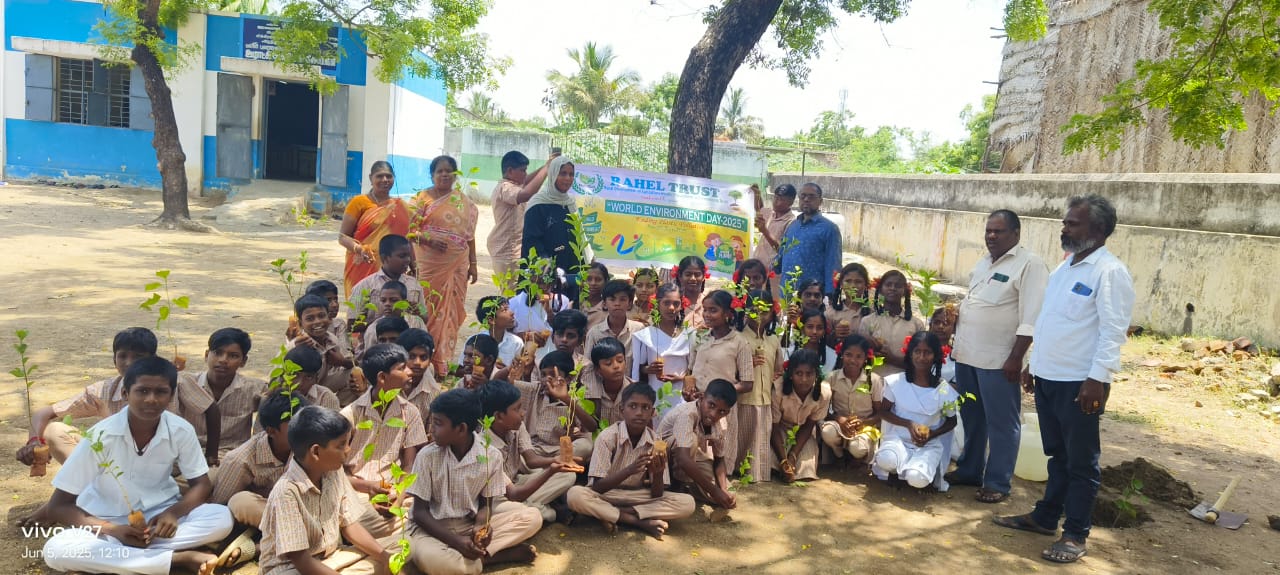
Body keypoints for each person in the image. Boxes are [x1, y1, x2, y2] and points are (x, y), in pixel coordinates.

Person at [996, 195, 1134, 565]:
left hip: (1080, 383)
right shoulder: (1066, 268)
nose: (1065, 228)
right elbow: (1049, 321)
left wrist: (1097, 380)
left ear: (1098, 229)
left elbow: (1112, 332)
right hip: (1049, 377)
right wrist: (1033, 365)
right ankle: (1044, 517)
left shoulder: (1109, 272)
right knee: (1056, 456)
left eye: (1073, 223)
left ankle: (1074, 534)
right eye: (1066, 222)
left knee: (1081, 463)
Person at [41, 357, 233, 575]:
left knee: (221, 518)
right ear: (125, 394)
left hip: (158, 520)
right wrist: (113, 530)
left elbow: (201, 485)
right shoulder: (100, 437)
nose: (151, 399)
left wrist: (172, 513)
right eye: (142, 391)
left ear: (171, 396)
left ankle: (127, 555)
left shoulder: (181, 430)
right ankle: (176, 559)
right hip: (106, 523)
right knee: (56, 550)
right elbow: (58, 506)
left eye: (160, 392)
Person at [948, 210, 1049, 503]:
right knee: (972, 417)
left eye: (999, 231)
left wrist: (1016, 358)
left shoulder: (1030, 265)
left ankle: (997, 482)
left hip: (999, 361)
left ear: (1016, 234)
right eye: (988, 231)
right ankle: (970, 469)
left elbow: (1031, 317)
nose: (991, 236)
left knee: (1002, 423)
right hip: (967, 355)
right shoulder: (984, 264)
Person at [407, 389, 550, 574]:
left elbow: (486, 504)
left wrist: (481, 526)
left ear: (461, 429)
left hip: (467, 525)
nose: (431, 429)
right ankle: (494, 557)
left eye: (438, 423)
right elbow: (419, 512)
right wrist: (456, 542)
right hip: (431, 530)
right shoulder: (427, 456)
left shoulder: (490, 455)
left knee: (532, 518)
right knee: (438, 563)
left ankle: (474, 555)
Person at [257, 405, 394, 575]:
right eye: (341, 445)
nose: (348, 449)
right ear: (315, 451)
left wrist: (385, 557)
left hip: (331, 558)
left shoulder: (334, 472)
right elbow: (301, 561)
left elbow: (349, 525)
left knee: (396, 549)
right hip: (292, 568)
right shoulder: (286, 492)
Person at [17, 327, 162, 469]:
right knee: (54, 431)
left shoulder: (171, 388)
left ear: (153, 360)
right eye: (122, 356)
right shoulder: (103, 391)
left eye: (138, 357)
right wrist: (34, 442)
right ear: (114, 359)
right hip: (113, 465)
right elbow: (43, 413)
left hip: (159, 464)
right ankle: (92, 483)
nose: (129, 363)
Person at [567, 382, 696, 538]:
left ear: (653, 413)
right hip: (607, 494)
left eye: (645, 408)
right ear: (622, 410)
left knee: (688, 503)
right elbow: (598, 487)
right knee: (575, 495)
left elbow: (657, 494)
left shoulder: (655, 441)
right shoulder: (608, 437)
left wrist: (658, 474)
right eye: (633, 406)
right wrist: (630, 470)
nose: (639, 413)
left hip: (637, 496)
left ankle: (610, 514)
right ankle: (636, 521)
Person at [341, 343, 430, 538]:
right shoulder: (351, 415)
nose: (409, 371)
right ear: (382, 378)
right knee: (354, 515)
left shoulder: (409, 412)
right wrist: (369, 487)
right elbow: (336, 474)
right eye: (401, 368)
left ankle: (361, 536)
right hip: (356, 491)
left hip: (394, 491)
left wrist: (398, 497)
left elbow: (408, 466)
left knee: (428, 510)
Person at [410, 155, 481, 377]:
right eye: (439, 171)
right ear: (432, 174)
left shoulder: (464, 203)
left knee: (452, 310)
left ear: (455, 175)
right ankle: (423, 358)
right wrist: (429, 239)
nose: (444, 174)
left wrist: (473, 264)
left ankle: (443, 362)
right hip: (430, 265)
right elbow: (409, 231)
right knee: (428, 308)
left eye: (448, 171)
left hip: (458, 265)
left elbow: (469, 236)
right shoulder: (420, 199)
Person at [476, 380, 578, 524]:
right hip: (497, 498)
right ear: (498, 416)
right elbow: (512, 495)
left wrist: (557, 462)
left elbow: (531, 460)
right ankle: (549, 510)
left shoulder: (517, 427)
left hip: (517, 482)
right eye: (517, 409)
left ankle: (540, 507)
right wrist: (550, 471)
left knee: (567, 474)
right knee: (524, 512)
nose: (523, 413)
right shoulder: (485, 447)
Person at [211, 390, 305, 535]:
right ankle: (297, 535)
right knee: (241, 502)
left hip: (302, 509)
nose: (304, 431)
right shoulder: (240, 460)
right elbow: (220, 506)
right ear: (272, 431)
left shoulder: (308, 445)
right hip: (269, 515)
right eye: (294, 427)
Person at [873, 331, 959, 490]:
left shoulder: (943, 390)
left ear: (936, 356)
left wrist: (931, 434)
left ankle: (922, 474)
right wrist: (908, 424)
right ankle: (895, 472)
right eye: (917, 352)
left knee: (917, 479)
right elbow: (883, 412)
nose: (921, 357)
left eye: (927, 353)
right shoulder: (896, 382)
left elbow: (952, 421)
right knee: (886, 459)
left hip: (927, 444)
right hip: (898, 439)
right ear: (910, 354)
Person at [686, 290, 755, 466]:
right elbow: (692, 370)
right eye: (705, 309)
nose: (707, 315)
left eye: (713, 310)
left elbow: (747, 383)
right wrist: (689, 390)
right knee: (695, 451)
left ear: (727, 314)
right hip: (697, 404)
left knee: (719, 451)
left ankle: (720, 483)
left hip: (721, 409)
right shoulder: (701, 338)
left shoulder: (739, 342)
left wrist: (718, 396)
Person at [177, 327, 265, 465]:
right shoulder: (185, 383)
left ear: (243, 361)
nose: (223, 360)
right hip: (186, 451)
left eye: (233, 356)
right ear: (207, 355)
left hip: (227, 456)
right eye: (218, 353)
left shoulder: (255, 389)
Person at [657, 378, 738, 520]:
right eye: (711, 405)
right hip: (662, 457)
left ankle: (691, 487)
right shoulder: (687, 414)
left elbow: (719, 460)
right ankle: (676, 489)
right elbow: (683, 459)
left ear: (727, 412)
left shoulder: (720, 425)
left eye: (721, 411)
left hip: (690, 457)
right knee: (692, 442)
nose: (714, 414)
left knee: (730, 494)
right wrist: (714, 490)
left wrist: (723, 490)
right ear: (701, 397)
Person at [339, 160, 410, 298]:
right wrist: (359, 249)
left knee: (389, 306)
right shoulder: (358, 202)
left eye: (389, 176)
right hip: (361, 264)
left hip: (391, 267)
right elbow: (342, 237)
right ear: (370, 178)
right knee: (360, 306)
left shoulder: (400, 206)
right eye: (379, 176)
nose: (385, 180)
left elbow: (407, 239)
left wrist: (412, 264)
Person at [488, 150, 557, 285]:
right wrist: (547, 169)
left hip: (512, 251)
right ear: (510, 171)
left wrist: (546, 166)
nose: (525, 174)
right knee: (511, 295)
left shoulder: (514, 185)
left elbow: (526, 182)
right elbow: (525, 194)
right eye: (523, 170)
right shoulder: (505, 188)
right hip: (507, 251)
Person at [735, 288, 782, 483]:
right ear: (746, 311)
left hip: (765, 397)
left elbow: (778, 367)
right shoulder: (739, 338)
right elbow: (731, 369)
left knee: (761, 435)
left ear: (772, 313)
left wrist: (777, 374)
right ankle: (737, 469)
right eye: (754, 310)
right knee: (744, 435)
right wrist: (747, 364)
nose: (759, 316)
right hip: (745, 397)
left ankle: (758, 474)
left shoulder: (773, 340)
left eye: (764, 311)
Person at [514, 351, 594, 463]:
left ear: (568, 378)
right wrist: (511, 369)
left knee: (585, 446)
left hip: (557, 450)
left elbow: (592, 427)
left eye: (553, 374)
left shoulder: (572, 398)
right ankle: (549, 469)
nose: (547, 379)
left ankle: (546, 468)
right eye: (543, 374)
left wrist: (566, 399)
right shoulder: (534, 390)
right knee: (515, 455)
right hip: (531, 449)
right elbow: (506, 384)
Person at [522, 155, 582, 302]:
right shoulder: (538, 205)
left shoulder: (570, 203)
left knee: (568, 313)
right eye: (563, 173)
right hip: (545, 271)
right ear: (553, 174)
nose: (567, 178)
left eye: (571, 174)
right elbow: (531, 240)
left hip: (570, 267)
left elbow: (578, 235)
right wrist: (545, 263)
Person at [821, 335, 885, 464]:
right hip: (839, 424)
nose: (853, 360)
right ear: (841, 354)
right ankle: (839, 455)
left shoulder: (873, 380)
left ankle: (857, 458)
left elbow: (881, 413)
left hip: (864, 426)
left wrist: (863, 422)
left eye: (858, 356)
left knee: (858, 448)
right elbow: (823, 409)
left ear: (865, 358)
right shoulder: (831, 378)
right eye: (848, 355)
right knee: (828, 432)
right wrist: (839, 419)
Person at [770, 349, 831, 483]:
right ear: (791, 374)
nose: (804, 379)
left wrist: (792, 456)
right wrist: (784, 461)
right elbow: (773, 427)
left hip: (804, 433)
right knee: (771, 465)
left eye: (809, 374)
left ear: (816, 374)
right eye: (799, 373)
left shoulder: (824, 393)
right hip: (779, 430)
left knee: (805, 471)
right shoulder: (778, 389)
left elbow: (809, 426)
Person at [631, 283, 691, 416]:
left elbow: (695, 369)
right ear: (657, 304)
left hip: (681, 398)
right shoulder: (646, 335)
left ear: (681, 305)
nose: (671, 308)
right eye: (666, 303)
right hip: (654, 396)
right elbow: (637, 369)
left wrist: (681, 378)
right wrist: (648, 369)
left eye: (676, 304)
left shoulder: (689, 334)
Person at [347, 234, 427, 329]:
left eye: (408, 256)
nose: (407, 260)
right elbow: (351, 324)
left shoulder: (414, 284)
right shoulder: (365, 286)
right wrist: (385, 322)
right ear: (385, 258)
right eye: (402, 256)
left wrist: (419, 313)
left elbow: (425, 317)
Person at [289, 294, 356, 405]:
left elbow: (351, 363)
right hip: (300, 388)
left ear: (329, 318)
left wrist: (342, 362)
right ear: (301, 323)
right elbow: (276, 379)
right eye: (310, 318)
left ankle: (339, 407)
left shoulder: (332, 339)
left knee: (353, 373)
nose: (317, 322)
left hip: (320, 384)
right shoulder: (297, 344)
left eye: (321, 316)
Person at [774, 182, 841, 290]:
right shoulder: (793, 226)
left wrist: (830, 293)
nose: (806, 199)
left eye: (811, 196)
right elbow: (781, 255)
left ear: (820, 201)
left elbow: (833, 265)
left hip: (812, 296)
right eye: (803, 196)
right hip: (787, 292)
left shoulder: (829, 229)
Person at [860, 270, 925, 376]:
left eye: (898, 286)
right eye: (888, 284)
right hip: (873, 381)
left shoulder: (916, 324)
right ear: (880, 289)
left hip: (903, 383)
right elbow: (859, 356)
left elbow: (920, 363)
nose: (892, 288)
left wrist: (892, 359)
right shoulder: (868, 321)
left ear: (904, 291)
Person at [582, 279, 644, 382]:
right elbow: (588, 366)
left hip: (631, 389)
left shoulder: (639, 330)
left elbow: (642, 365)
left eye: (622, 299)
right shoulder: (595, 332)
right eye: (612, 299)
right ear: (604, 304)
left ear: (629, 304)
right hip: (602, 388)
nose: (617, 304)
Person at [751, 184, 797, 288]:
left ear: (791, 202)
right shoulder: (771, 213)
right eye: (775, 197)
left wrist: (764, 231)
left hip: (771, 273)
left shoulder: (791, 222)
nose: (776, 202)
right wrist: (757, 194)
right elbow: (760, 208)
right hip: (756, 268)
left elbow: (782, 250)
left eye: (781, 199)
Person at [360, 281, 427, 352]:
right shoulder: (373, 328)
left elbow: (425, 348)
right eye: (383, 300)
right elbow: (370, 356)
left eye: (393, 300)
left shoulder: (416, 323)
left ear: (405, 303)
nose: (387, 304)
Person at [582, 337, 632, 432]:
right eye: (608, 363)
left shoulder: (634, 390)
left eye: (620, 360)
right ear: (597, 370)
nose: (616, 366)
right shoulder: (590, 391)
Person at [396, 328, 440, 433]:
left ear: (430, 360)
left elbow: (430, 432)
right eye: (411, 356)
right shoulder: (388, 383)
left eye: (423, 357)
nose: (417, 362)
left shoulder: (434, 392)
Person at [282, 345, 341, 411]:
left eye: (308, 377)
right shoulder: (276, 396)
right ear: (285, 374)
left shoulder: (326, 398)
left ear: (316, 379)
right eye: (295, 374)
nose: (300, 383)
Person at [826, 263, 872, 346]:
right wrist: (835, 334)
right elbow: (824, 342)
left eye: (858, 282)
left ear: (866, 285)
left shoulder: (873, 312)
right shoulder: (831, 313)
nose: (853, 286)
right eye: (848, 281)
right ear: (841, 284)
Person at [476, 295, 524, 368]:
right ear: (491, 320)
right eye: (505, 310)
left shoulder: (516, 343)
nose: (512, 313)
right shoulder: (475, 342)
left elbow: (518, 371)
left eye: (508, 309)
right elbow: (462, 368)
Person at [673, 256, 709, 329]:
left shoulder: (710, 302)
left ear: (703, 277)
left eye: (697, 274)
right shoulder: (673, 303)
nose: (693, 278)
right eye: (688, 274)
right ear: (680, 276)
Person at [579, 262, 611, 329]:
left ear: (606, 282)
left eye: (598, 280)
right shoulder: (575, 305)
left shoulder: (610, 308)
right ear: (581, 282)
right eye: (588, 279)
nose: (593, 283)